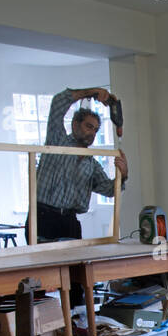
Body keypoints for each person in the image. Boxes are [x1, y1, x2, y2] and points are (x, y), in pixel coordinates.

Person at [29, 86, 129, 242]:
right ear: (75, 124)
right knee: (48, 265)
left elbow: (110, 190)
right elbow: (58, 103)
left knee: (76, 265)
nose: (92, 133)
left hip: (69, 221)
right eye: (89, 126)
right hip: (43, 217)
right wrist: (91, 92)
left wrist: (123, 175)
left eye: (96, 130)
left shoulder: (91, 164)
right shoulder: (57, 141)